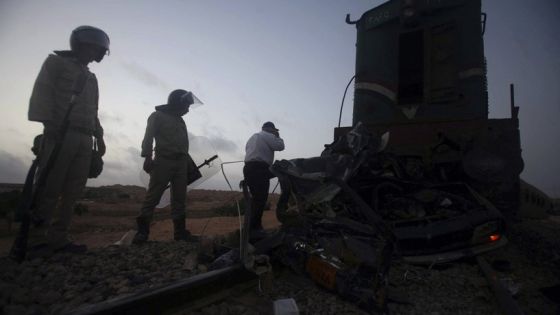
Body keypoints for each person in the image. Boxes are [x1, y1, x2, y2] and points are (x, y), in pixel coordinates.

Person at [27, 26, 109, 254]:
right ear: (84, 44)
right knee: (49, 187)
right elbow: (42, 93)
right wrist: (48, 125)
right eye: (96, 47)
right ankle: (36, 240)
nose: (98, 52)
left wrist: (99, 136)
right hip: (61, 134)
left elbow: (93, 110)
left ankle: (59, 238)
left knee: (73, 191)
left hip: (84, 137)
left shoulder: (91, 77)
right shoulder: (56, 63)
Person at [133, 89, 201, 244]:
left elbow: (182, 144)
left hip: (181, 163)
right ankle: (142, 232)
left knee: (179, 199)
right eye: (186, 105)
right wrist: (147, 157)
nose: (188, 109)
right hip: (163, 161)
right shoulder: (157, 116)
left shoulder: (180, 120)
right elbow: (148, 137)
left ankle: (180, 233)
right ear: (177, 103)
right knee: (153, 196)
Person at [243, 122, 285, 238]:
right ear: (270, 129)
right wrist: (277, 136)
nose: (275, 132)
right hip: (259, 168)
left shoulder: (253, 137)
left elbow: (247, 150)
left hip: (248, 168)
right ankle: (254, 229)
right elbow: (280, 147)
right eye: (274, 130)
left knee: (256, 199)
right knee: (260, 200)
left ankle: (251, 227)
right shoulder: (268, 135)